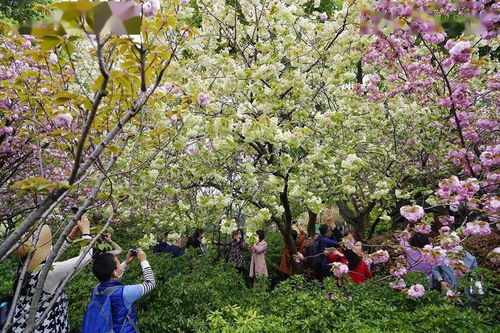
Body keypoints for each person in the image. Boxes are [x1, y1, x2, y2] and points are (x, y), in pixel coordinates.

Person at [11, 217, 93, 333]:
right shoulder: (49, 274)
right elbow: (85, 258)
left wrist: (70, 237)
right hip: (48, 327)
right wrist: (86, 232)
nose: (50, 247)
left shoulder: (23, 269)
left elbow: (49, 257)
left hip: (22, 326)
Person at [86, 249, 155, 332]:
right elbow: (150, 283)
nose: (120, 264)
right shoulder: (124, 293)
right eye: (118, 263)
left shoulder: (97, 289)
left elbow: (112, 279)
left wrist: (126, 262)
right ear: (115, 272)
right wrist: (143, 260)